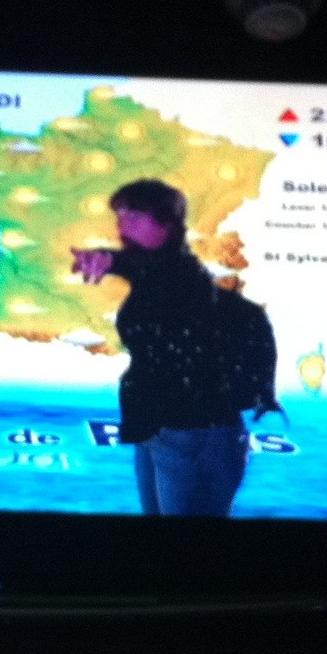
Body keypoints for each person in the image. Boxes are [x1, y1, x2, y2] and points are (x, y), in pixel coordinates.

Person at [72, 179, 249, 516]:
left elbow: (153, 269)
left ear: (165, 224)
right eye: (120, 217)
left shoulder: (182, 277)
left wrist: (109, 260)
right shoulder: (160, 269)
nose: (121, 226)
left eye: (133, 217)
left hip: (191, 433)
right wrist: (107, 259)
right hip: (157, 428)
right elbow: (140, 265)